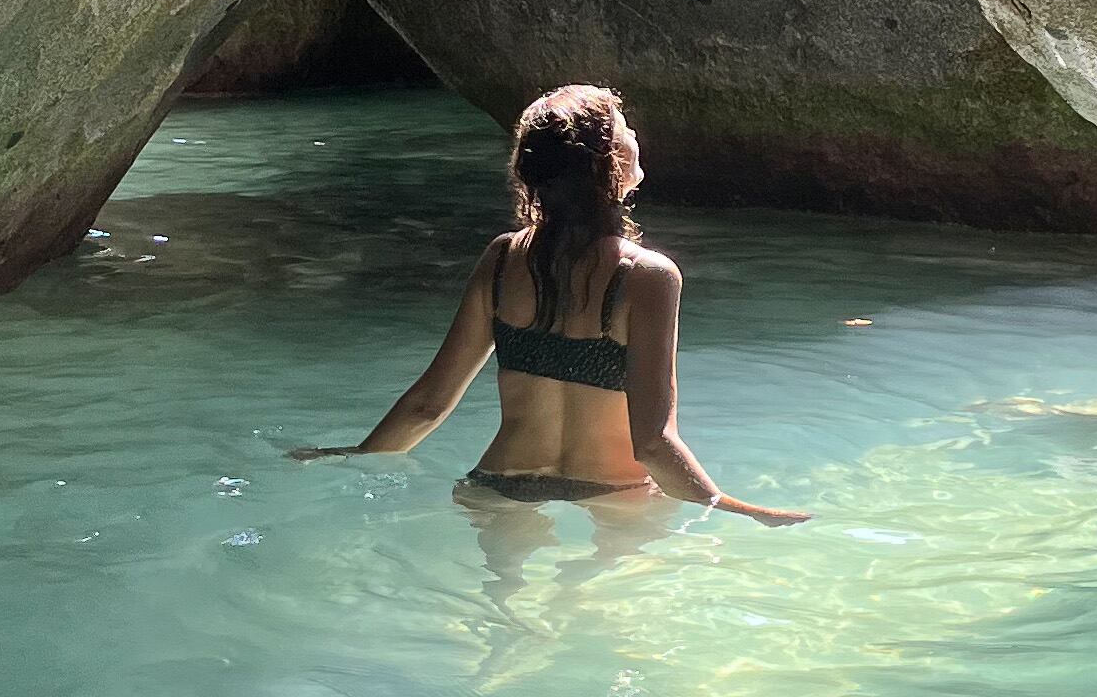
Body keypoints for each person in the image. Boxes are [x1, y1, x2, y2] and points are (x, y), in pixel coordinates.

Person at [290, 81, 806, 522]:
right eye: (625, 128)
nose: (635, 134)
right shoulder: (648, 277)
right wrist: (736, 509)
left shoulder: (501, 260)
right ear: (607, 162)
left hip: (497, 485)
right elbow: (652, 442)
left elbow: (429, 404)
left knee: (501, 604)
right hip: (616, 494)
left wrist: (354, 455)